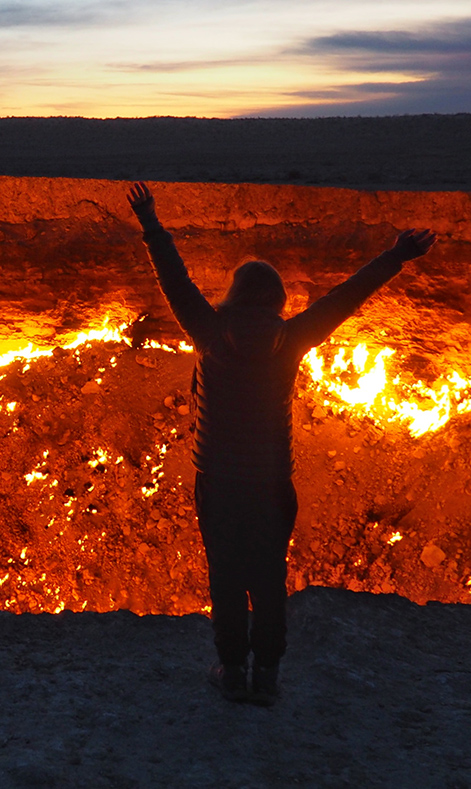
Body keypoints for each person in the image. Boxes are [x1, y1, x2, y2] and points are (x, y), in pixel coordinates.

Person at [126, 182, 435, 706]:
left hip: (218, 480)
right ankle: (266, 675)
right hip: (271, 481)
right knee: (268, 575)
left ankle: (231, 669)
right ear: (277, 301)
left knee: (225, 574)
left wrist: (151, 224)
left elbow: (174, 281)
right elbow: (347, 296)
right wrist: (396, 256)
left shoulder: (207, 329)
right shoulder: (292, 338)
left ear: (234, 294)